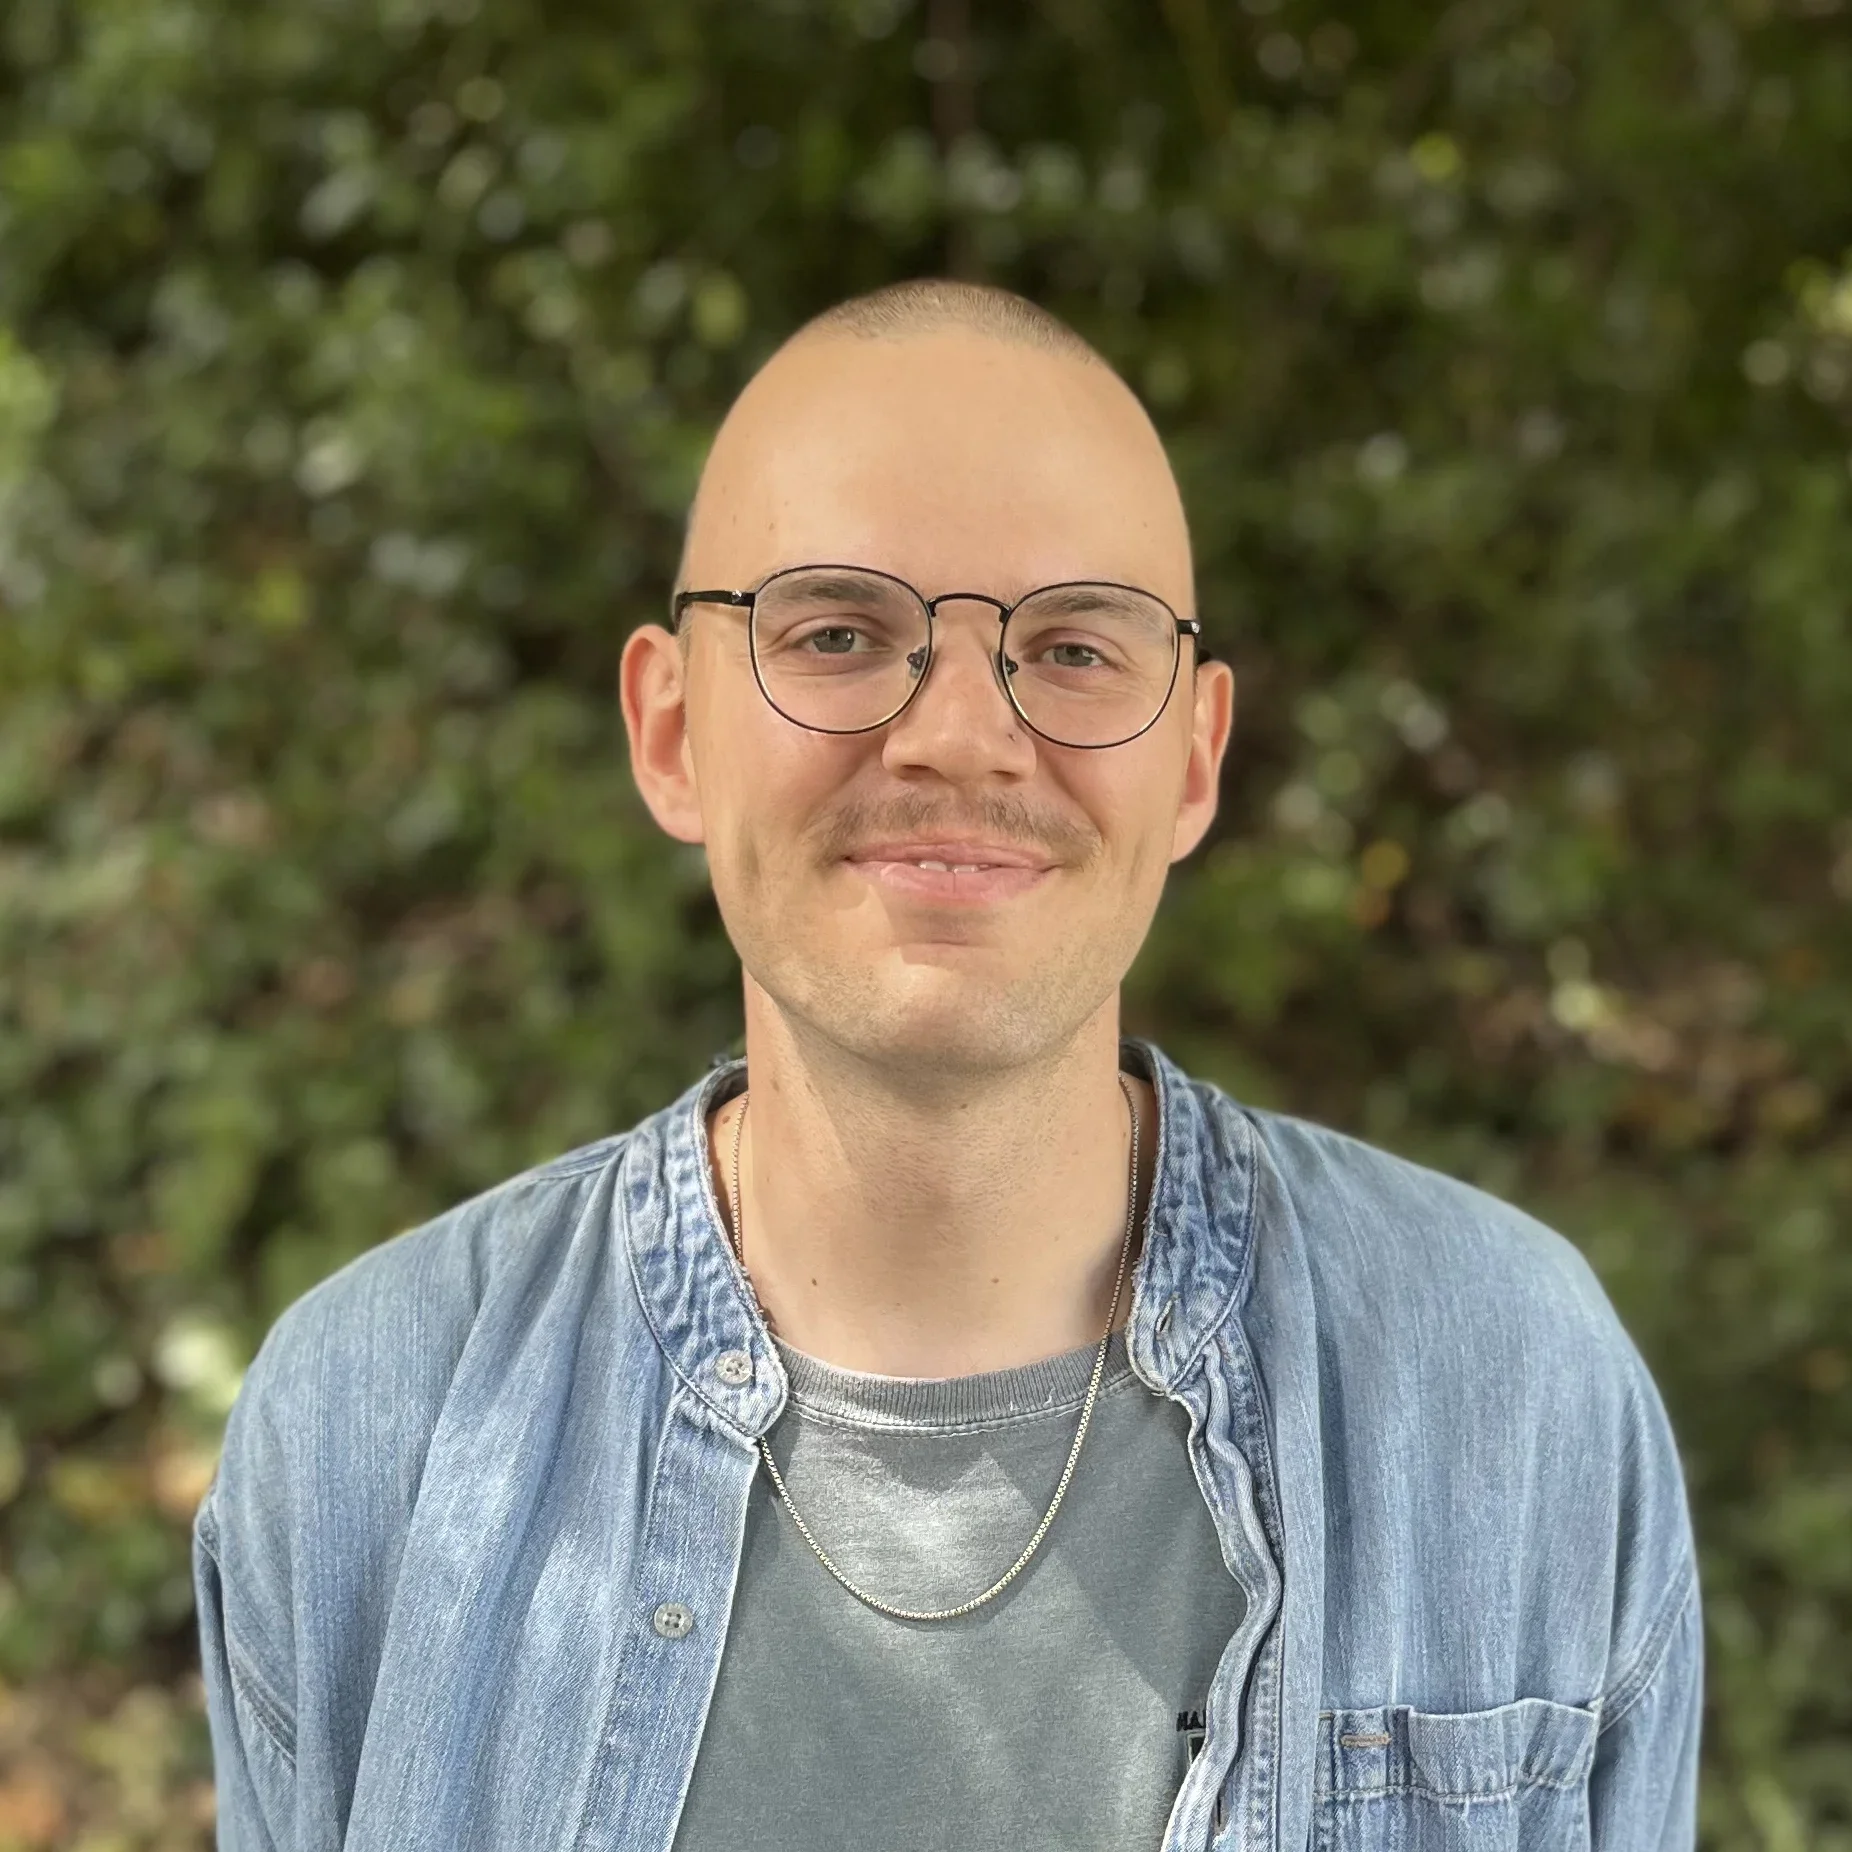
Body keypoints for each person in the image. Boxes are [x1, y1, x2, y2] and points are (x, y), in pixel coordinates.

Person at [193, 279, 1701, 1852]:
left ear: (1192, 759)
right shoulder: (377, 1425)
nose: (962, 737)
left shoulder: (1507, 1386)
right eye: (839, 634)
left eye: (1073, 647)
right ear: (670, 731)